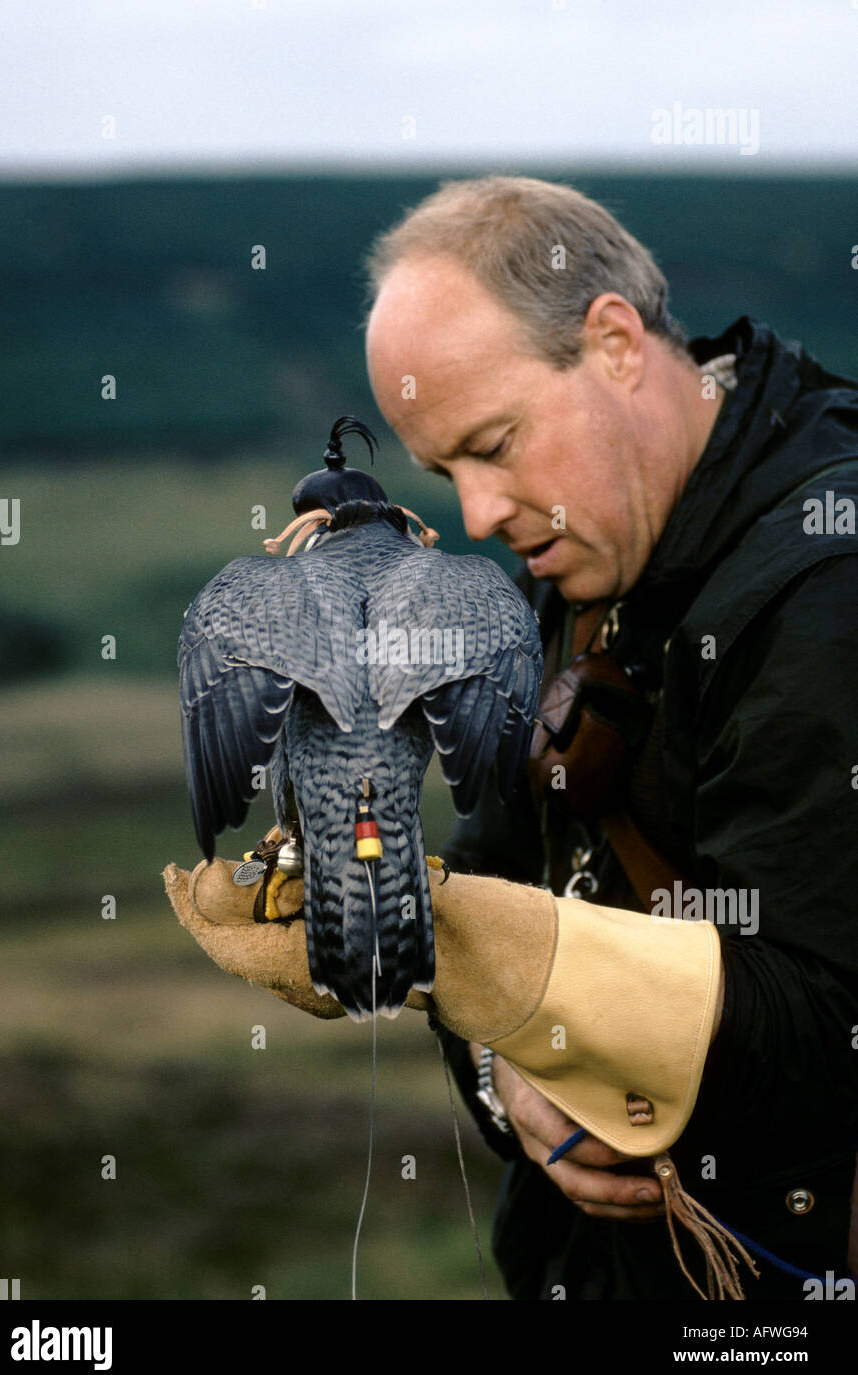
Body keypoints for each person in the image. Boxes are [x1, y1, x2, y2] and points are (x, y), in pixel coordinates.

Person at [361, 175, 858, 1300]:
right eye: (448, 473)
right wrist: (510, 1081)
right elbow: (481, 906)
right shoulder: (589, 551)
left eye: (496, 443)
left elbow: (825, 1030)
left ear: (617, 343)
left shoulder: (829, 582)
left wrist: (566, 1046)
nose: (481, 516)